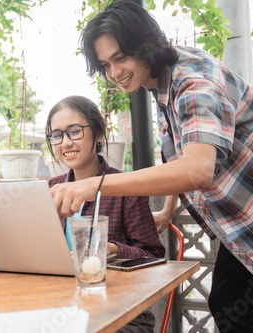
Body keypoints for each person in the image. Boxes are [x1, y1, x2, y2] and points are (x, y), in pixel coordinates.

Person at [50, 1, 253, 332]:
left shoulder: (192, 79)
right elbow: (182, 156)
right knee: (226, 303)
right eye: (105, 64)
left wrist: (94, 184)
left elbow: (199, 169)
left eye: (120, 58)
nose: (114, 73)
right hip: (247, 220)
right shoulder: (159, 84)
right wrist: (170, 209)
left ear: (144, 45)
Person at [46, 95, 165, 333]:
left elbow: (155, 257)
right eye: (57, 135)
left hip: (122, 312)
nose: (65, 143)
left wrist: (112, 249)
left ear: (99, 133)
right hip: (63, 306)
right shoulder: (52, 188)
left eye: (74, 131)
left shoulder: (124, 187)